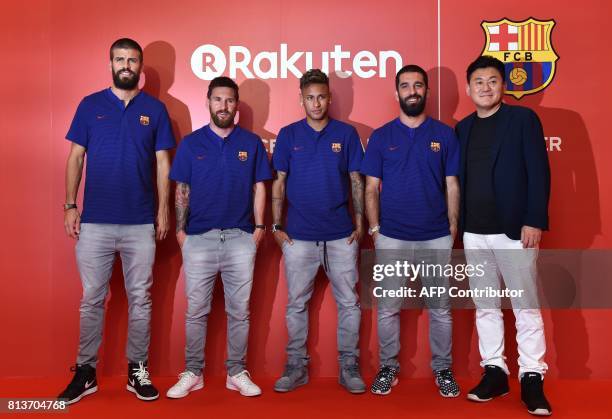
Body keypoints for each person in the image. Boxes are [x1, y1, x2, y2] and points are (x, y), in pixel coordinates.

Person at [59, 38, 175, 404]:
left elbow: (162, 164)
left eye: (133, 60)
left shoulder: (155, 111)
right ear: (110, 63)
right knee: (92, 299)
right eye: (120, 59)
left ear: (140, 66)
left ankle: (137, 370)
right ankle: (85, 372)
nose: (127, 65)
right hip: (95, 223)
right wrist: (69, 205)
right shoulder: (90, 105)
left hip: (140, 222)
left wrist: (163, 210)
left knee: (141, 299)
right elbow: (76, 157)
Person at [456, 55, 552, 416]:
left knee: (525, 307)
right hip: (473, 232)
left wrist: (534, 220)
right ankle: (494, 371)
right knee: (486, 307)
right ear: (469, 89)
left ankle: (532, 378)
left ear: (503, 86)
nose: (485, 87)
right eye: (478, 82)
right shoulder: (462, 128)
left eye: (492, 80)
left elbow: (538, 172)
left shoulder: (523, 120)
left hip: (515, 232)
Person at [166, 76, 271, 398]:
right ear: (208, 102)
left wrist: (258, 229)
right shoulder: (191, 144)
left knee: (239, 311)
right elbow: (182, 188)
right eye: (218, 100)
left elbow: (259, 187)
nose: (223, 106)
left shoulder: (251, 143)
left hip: (240, 238)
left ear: (236, 105)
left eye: (229, 100)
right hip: (200, 238)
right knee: (196, 311)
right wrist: (182, 233)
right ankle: (193, 373)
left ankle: (236, 371)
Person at [361, 64, 461, 397]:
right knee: (388, 307)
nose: (412, 91)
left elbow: (452, 184)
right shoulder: (381, 136)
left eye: (418, 86)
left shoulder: (445, 134)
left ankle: (443, 369)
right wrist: (375, 230)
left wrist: (452, 227)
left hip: (436, 236)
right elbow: (371, 187)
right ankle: (388, 367)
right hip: (392, 236)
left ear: (427, 92)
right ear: (397, 93)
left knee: (440, 308)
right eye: (406, 86)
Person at [271, 69, 365, 394]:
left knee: (349, 304)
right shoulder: (288, 135)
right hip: (298, 236)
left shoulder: (347, 134)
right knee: (296, 304)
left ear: (329, 97)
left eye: (321, 96)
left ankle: (349, 366)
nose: (316, 103)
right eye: (310, 97)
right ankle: (296, 366)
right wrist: (276, 226)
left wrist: (360, 223)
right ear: (301, 98)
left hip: (341, 234)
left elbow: (356, 180)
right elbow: (279, 183)